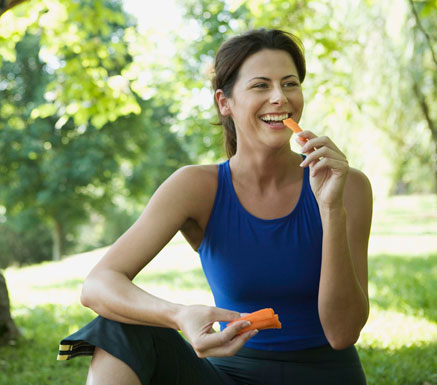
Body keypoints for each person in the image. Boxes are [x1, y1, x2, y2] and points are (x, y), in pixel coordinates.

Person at [58, 28, 372, 385]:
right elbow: (98, 284)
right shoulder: (196, 187)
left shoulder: (346, 186)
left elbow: (342, 333)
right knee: (118, 327)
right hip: (229, 376)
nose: (279, 98)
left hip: (326, 376)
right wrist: (178, 315)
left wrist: (330, 208)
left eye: (289, 84)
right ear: (225, 102)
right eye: (260, 86)